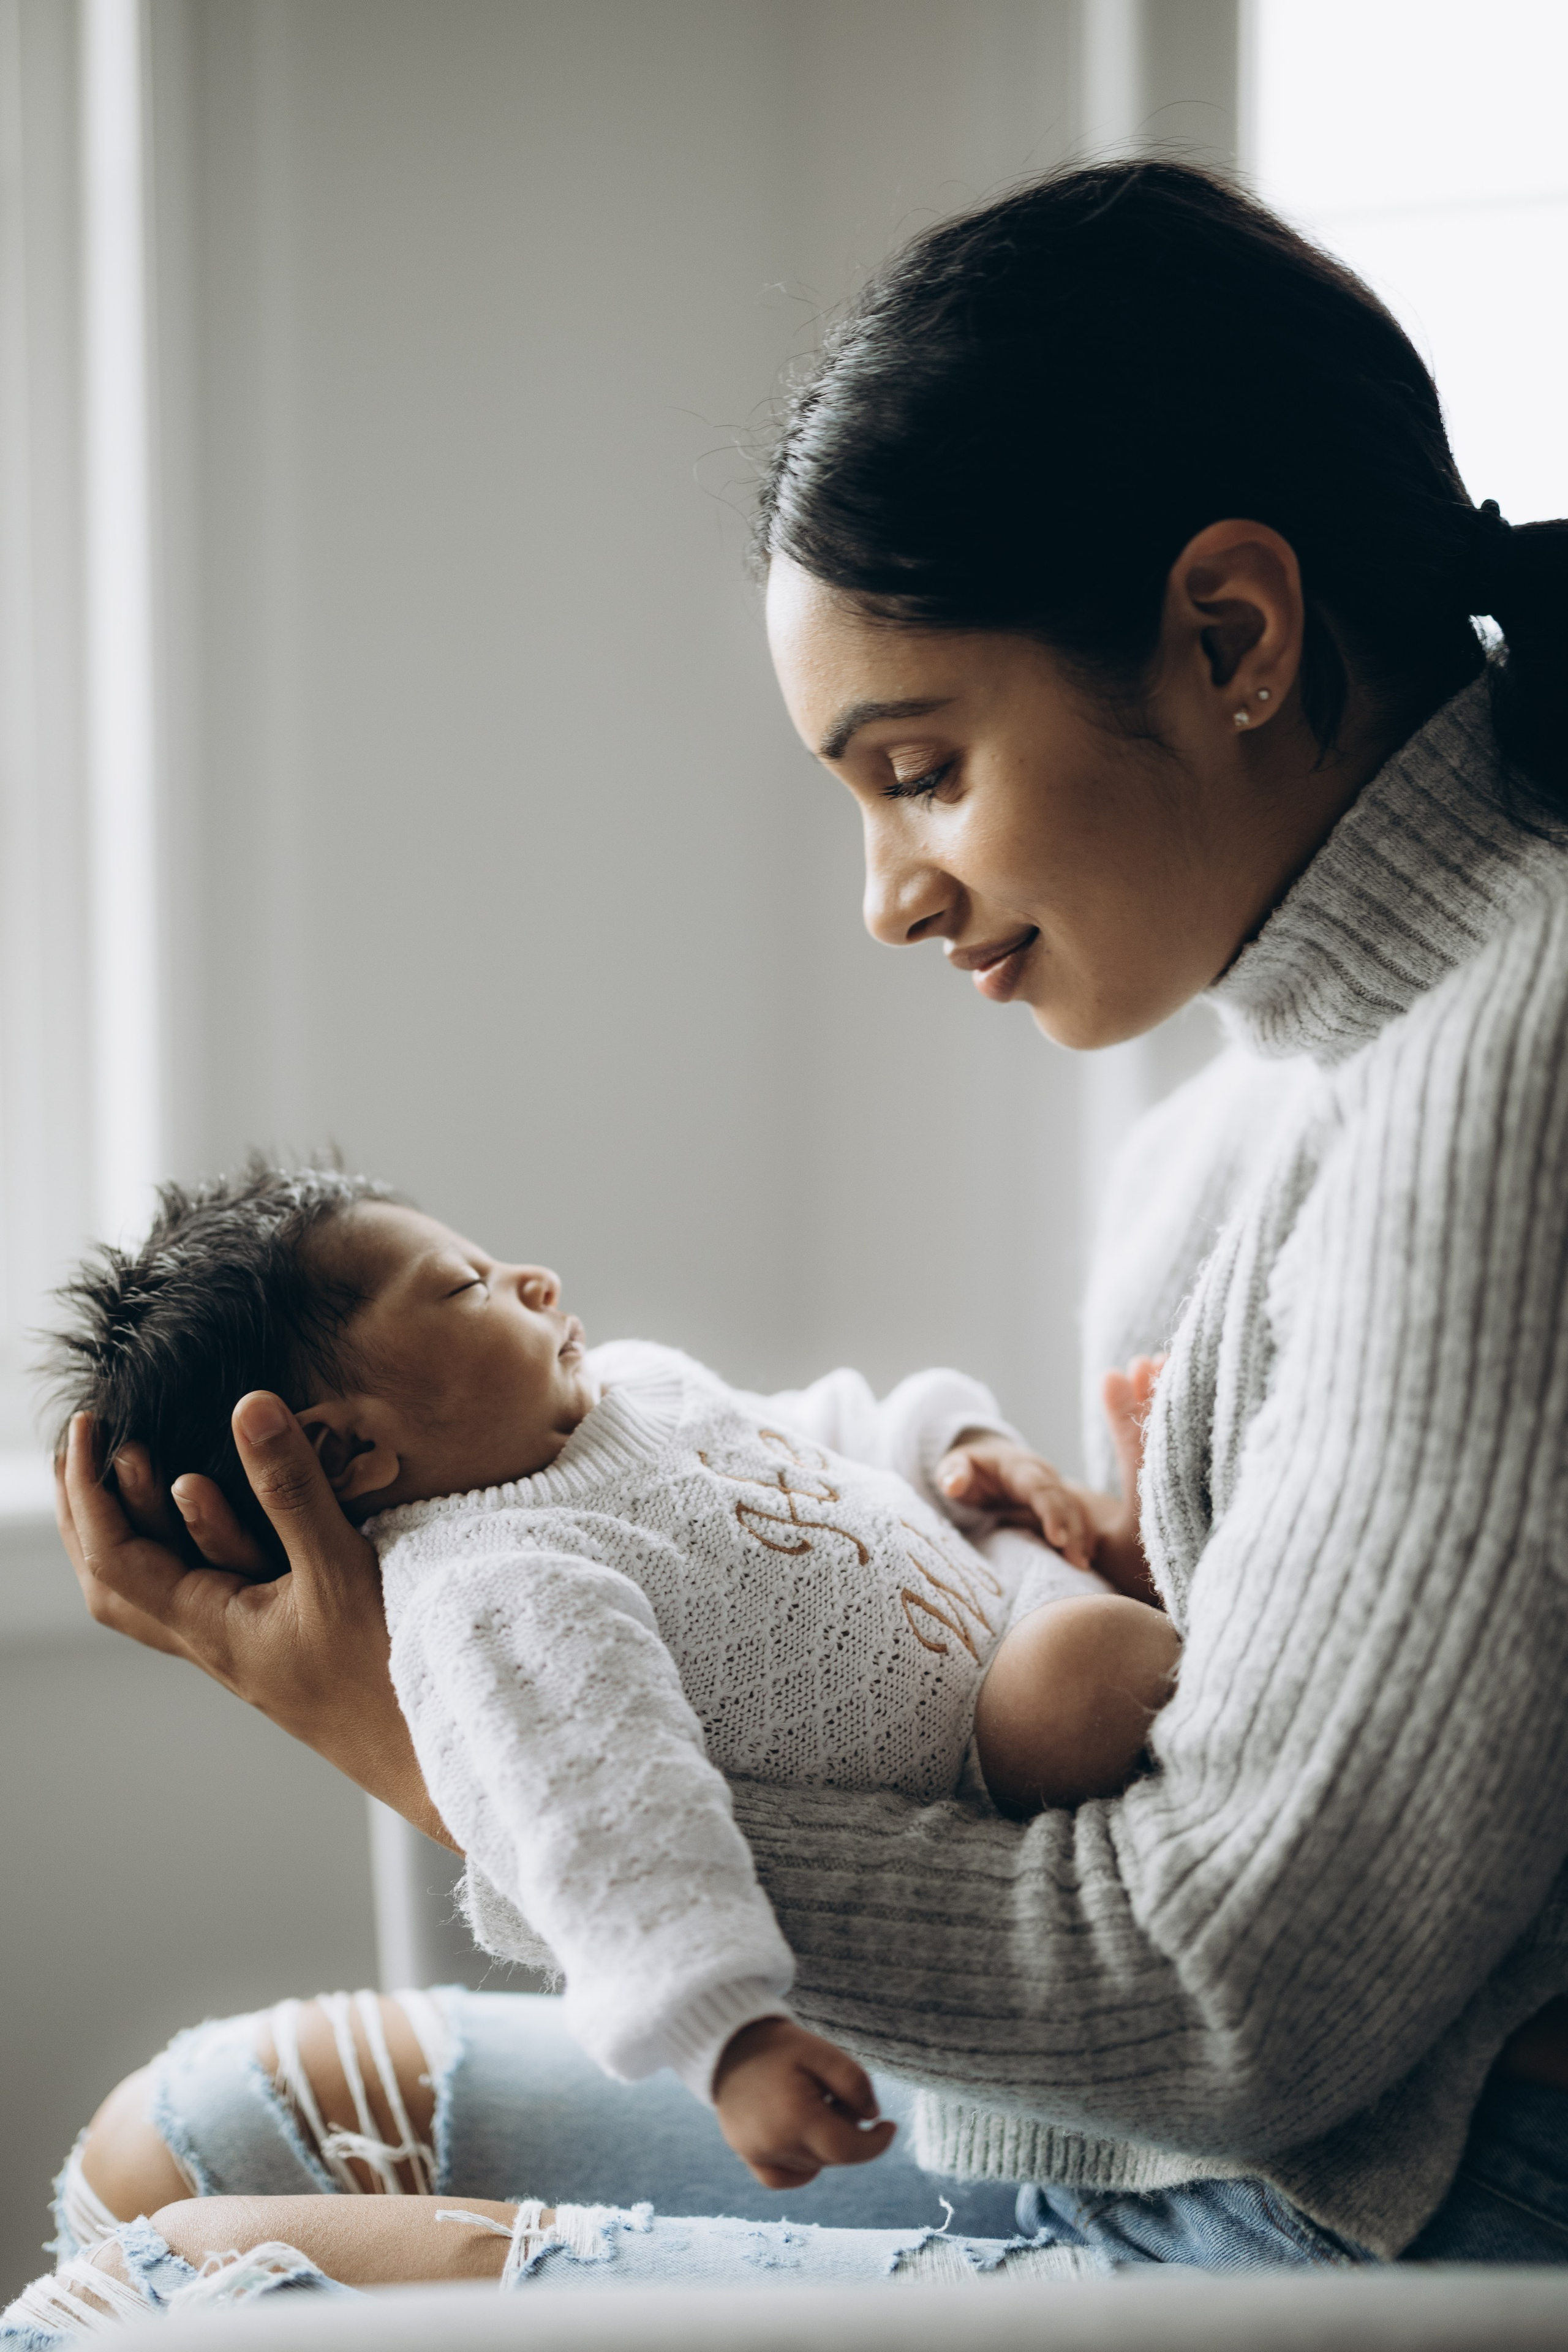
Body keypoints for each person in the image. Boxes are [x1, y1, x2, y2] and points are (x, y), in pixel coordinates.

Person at [32, 154, 1568, 2310]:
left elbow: (1234, 1993)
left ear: (1233, 631)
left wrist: (458, 1766)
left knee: (163, 2288)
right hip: (1190, 2142)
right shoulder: (1289, 1092)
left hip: (1375, 2206)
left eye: (922, 770)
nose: (890, 894)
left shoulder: (1505, 1084)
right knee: (214, 2130)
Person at [40, 1165, 1174, 2187]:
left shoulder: (637, 1383)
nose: (532, 1277)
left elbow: (833, 1423)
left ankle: (1131, 1557)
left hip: (1004, 1581)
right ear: (346, 1452)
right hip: (994, 1736)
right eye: (465, 1287)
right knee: (1089, 1677)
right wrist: (725, 2033)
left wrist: (964, 1445)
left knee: (1069, 1580)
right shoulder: (494, 1586)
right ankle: (1165, 1594)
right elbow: (605, 1817)